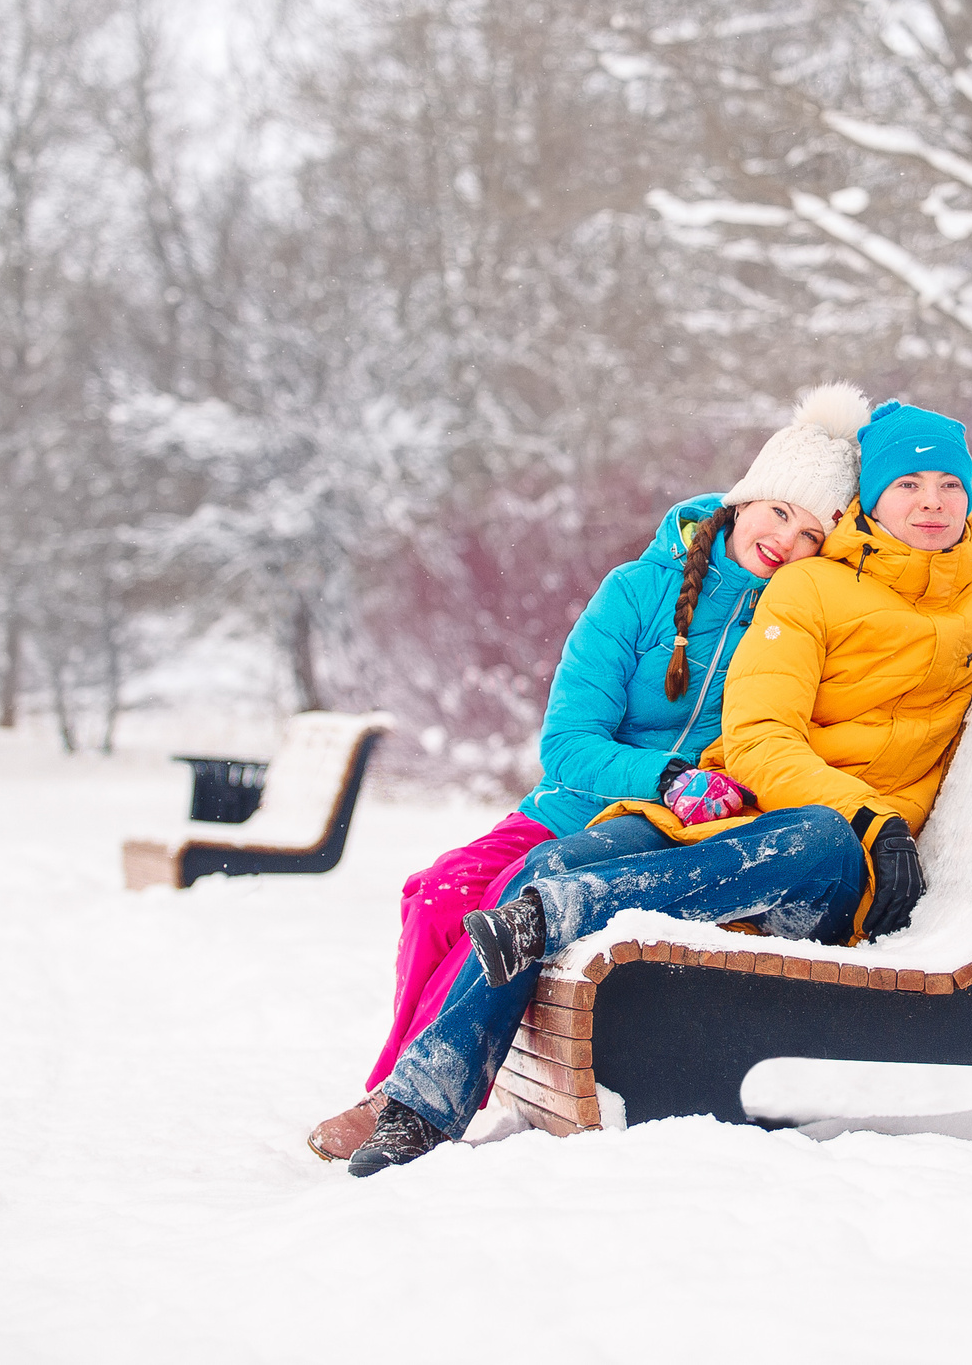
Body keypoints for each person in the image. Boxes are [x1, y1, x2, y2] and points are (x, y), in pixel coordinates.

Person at [348, 396, 972, 1175]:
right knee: (512, 876)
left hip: (830, 848)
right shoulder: (782, 591)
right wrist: (672, 776)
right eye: (908, 484)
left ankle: (567, 914)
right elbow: (613, 739)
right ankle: (415, 1104)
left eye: (948, 485)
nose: (930, 501)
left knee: (816, 834)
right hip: (682, 812)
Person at [307, 383, 873, 1162]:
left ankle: (410, 1102)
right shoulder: (638, 591)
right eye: (780, 511)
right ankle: (392, 1089)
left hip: (657, 836)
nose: (786, 539)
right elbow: (568, 742)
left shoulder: (794, 626)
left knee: (515, 894)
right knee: (438, 894)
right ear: (746, 500)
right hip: (572, 807)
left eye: (812, 533)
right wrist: (666, 773)